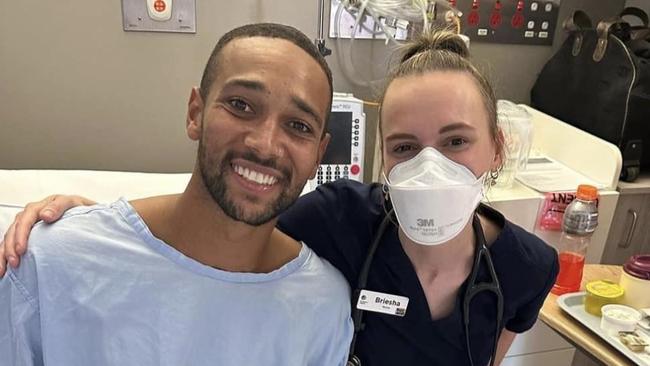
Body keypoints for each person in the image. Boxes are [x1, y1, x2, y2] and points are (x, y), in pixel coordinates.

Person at [0, 28, 558, 366]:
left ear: (497, 149)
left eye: (456, 140)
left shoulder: (527, 266)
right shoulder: (340, 221)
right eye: (405, 145)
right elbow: (227, 216)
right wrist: (86, 222)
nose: (266, 143)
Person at [0, 23, 354, 366]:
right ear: (195, 113)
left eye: (298, 126)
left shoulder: (322, 305)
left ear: (318, 156)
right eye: (241, 105)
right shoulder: (51, 263)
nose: (264, 145)